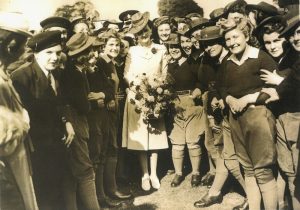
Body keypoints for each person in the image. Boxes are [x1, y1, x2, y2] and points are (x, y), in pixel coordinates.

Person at [11, 30, 75, 210]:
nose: (55, 57)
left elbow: (60, 101)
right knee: (43, 195)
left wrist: (67, 121)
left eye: (57, 52)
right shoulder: (21, 77)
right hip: (37, 149)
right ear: (36, 54)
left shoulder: (53, 73)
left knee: (56, 190)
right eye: (49, 53)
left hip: (55, 143)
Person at [220, 19, 278, 210]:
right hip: (236, 118)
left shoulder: (261, 57)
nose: (232, 42)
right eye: (227, 39)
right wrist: (229, 100)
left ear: (246, 36)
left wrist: (247, 99)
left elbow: (271, 89)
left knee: (262, 170)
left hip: (258, 117)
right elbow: (222, 88)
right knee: (248, 169)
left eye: (236, 36)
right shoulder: (226, 62)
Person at [194, 25, 248, 210]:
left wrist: (222, 97)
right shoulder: (210, 61)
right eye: (205, 45)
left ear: (221, 42)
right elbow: (212, 85)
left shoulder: (231, 58)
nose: (209, 48)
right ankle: (216, 192)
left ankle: (254, 195)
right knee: (224, 155)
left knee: (233, 157)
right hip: (219, 114)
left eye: (212, 43)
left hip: (237, 114)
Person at [122, 11, 169, 191]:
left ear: (151, 30)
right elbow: (126, 74)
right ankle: (145, 174)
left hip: (155, 96)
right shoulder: (132, 52)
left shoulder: (161, 49)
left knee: (155, 135)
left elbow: (164, 73)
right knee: (141, 136)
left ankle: (155, 173)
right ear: (135, 35)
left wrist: (157, 90)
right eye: (139, 32)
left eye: (146, 30)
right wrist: (137, 86)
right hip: (137, 97)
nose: (143, 35)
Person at [89, 29, 132, 208]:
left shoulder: (111, 63)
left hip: (111, 113)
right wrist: (106, 97)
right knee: (101, 152)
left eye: (117, 45)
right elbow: (96, 90)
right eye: (111, 45)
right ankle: (101, 195)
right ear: (103, 47)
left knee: (111, 149)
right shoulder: (98, 63)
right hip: (100, 115)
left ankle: (111, 189)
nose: (115, 48)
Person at [261, 13, 300, 210]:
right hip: (279, 118)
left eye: (277, 40)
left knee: (295, 170)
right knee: (287, 169)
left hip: (295, 117)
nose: (273, 46)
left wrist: (280, 84)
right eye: (268, 42)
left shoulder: (295, 56)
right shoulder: (269, 59)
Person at [0, 11, 38, 210]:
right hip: (6, 169)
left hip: (16, 161)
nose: (25, 50)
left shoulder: (4, 74)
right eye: (23, 44)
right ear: (11, 46)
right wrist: (23, 121)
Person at [62, 33, 100, 210]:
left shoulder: (75, 71)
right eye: (90, 50)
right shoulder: (75, 75)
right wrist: (92, 101)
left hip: (74, 121)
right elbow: (83, 106)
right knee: (85, 169)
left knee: (73, 171)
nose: (93, 53)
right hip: (76, 122)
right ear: (82, 54)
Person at [165, 33, 205, 188]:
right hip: (175, 105)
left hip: (191, 103)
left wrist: (195, 94)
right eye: (170, 47)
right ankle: (178, 173)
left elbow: (201, 82)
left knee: (193, 141)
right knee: (177, 142)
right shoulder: (169, 65)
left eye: (176, 46)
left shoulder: (192, 62)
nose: (174, 49)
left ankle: (195, 172)